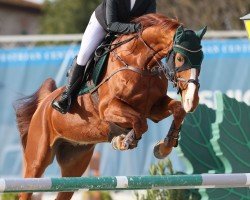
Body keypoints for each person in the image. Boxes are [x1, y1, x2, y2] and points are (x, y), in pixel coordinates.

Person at [52, 0, 156, 114]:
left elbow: (150, 21)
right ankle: (67, 96)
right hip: (103, 24)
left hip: (131, 29)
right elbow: (112, 25)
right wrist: (136, 28)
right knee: (83, 56)